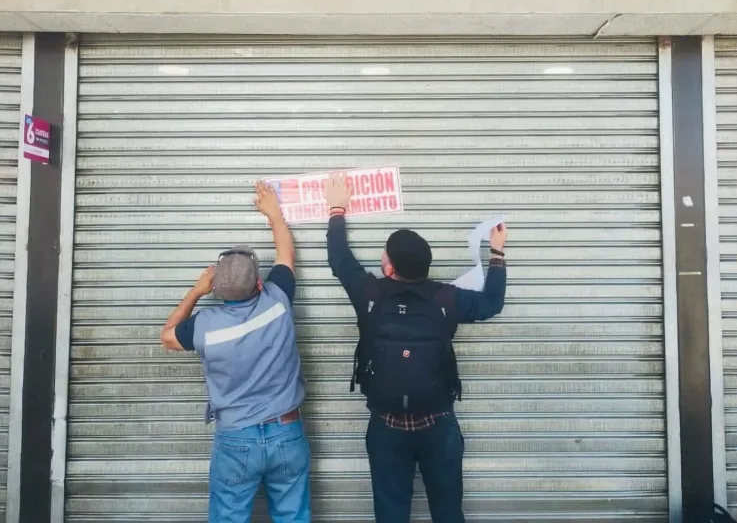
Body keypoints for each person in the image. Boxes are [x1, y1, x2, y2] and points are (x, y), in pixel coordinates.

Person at [323, 172, 508, 523]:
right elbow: (491, 304)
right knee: (448, 512)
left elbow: (340, 260)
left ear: (388, 266)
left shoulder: (369, 294)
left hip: (386, 427)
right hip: (437, 424)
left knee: (391, 514)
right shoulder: (447, 299)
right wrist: (496, 252)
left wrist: (337, 209)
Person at [160, 182, 311, 523]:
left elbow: (167, 336)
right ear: (260, 282)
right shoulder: (278, 301)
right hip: (287, 433)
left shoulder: (205, 326)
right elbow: (286, 253)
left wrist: (196, 292)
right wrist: (274, 213)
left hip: (235, 440)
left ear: (217, 288)